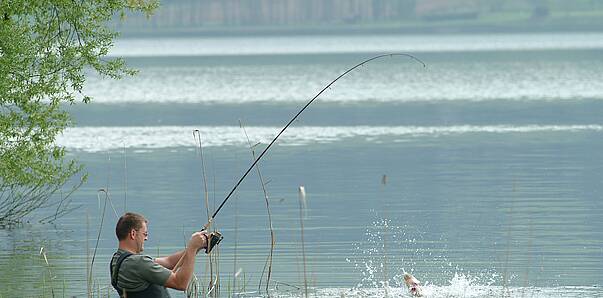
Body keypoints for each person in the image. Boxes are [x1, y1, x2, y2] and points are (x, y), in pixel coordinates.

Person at [110, 212, 209, 297]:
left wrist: (198, 246)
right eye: (145, 234)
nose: (146, 238)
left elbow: (169, 262)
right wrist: (192, 248)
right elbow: (180, 283)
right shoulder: (138, 263)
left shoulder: (117, 260)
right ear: (133, 234)